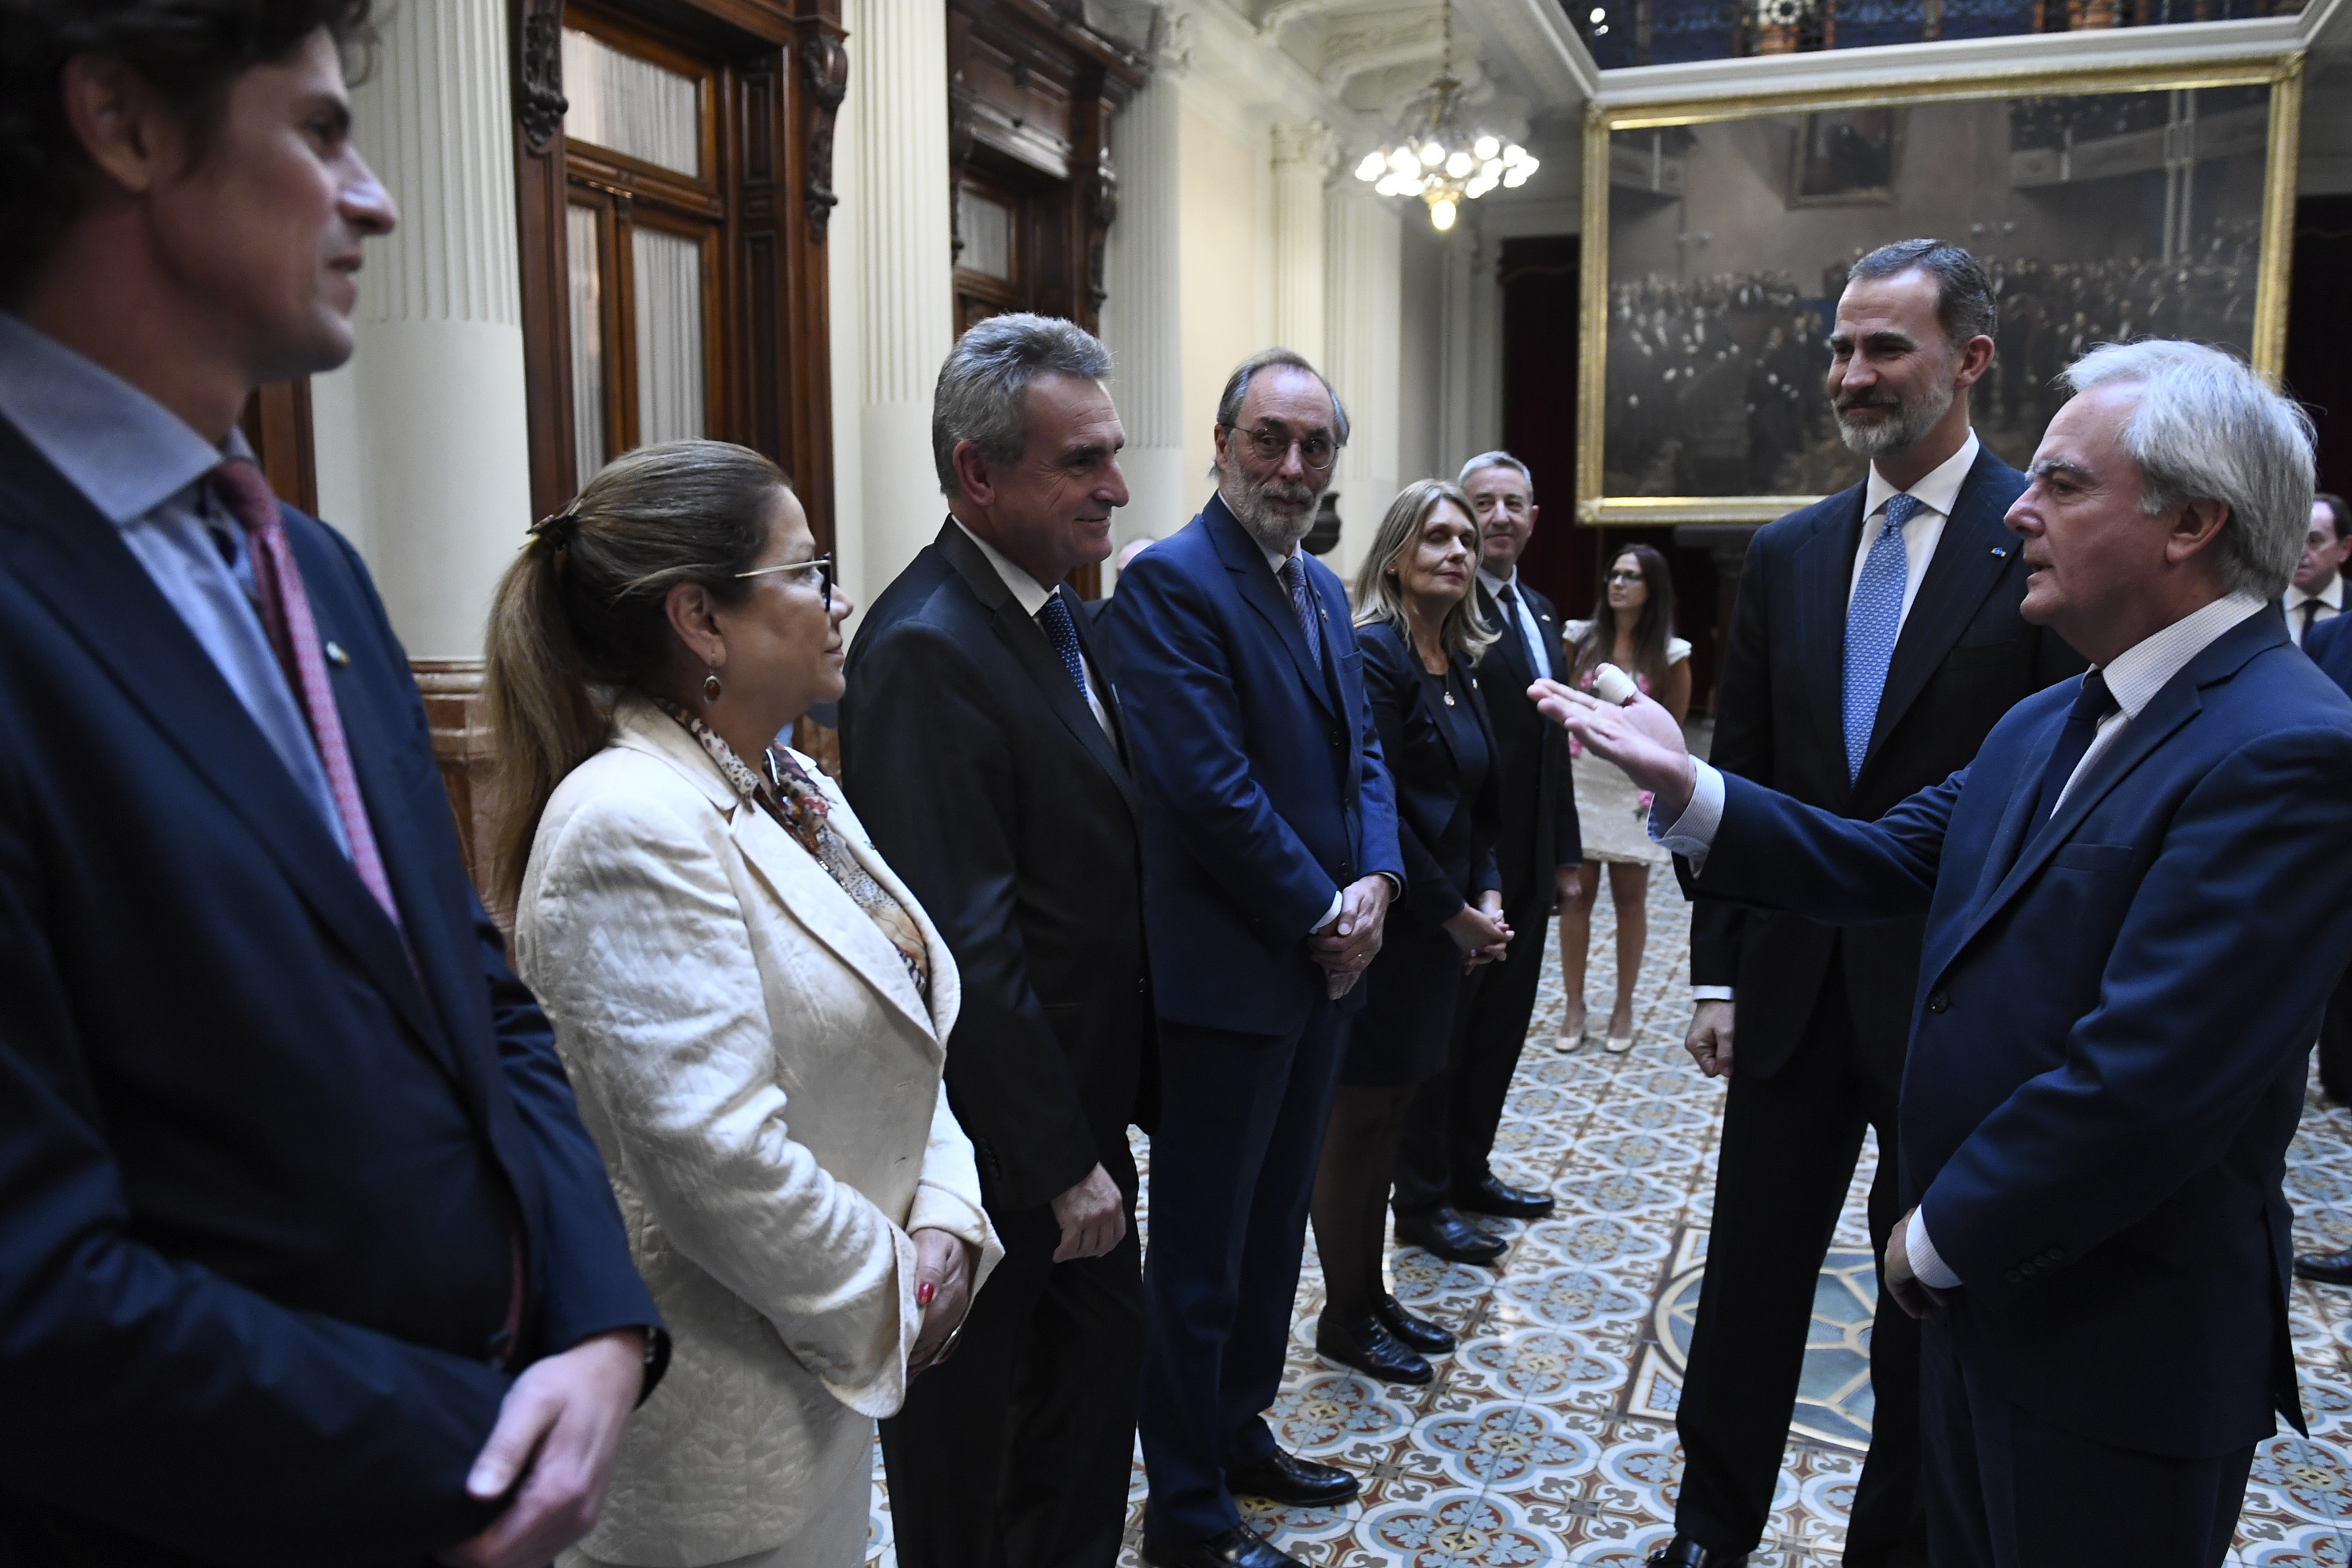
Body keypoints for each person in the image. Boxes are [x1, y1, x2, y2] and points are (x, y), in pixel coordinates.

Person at [0, 6, 662, 1563]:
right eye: (316, 130)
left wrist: (596, 1317)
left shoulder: (309, 564)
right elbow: (32, 1281)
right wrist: (478, 1442)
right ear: (126, 123)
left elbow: (473, 994)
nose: (373, 197)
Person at [1544, 338, 2349, 1568]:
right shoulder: (2055, 715)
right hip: (1990, 1315)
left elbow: (2149, 1077)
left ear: (2192, 522)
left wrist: (1935, 1235)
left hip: (2111, 1347)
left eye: (2068, 486)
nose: (2020, 507)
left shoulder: (2288, 747)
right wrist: (1689, 783)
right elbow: (1881, 859)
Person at [488, 441, 1002, 1568]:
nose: (839, 597)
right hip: (713, 1448)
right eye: (808, 570)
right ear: (700, 619)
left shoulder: (787, 781)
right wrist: (898, 1295)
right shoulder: (628, 821)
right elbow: (716, 1158)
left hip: (812, 1394)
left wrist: (949, 1219)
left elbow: (910, 1032)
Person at [1653, 240, 2082, 1568]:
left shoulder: (2039, 540)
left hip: (1949, 1001)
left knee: (1925, 1295)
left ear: (1970, 359)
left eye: (1885, 347)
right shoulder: (1785, 552)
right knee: (1749, 1290)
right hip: (1787, 988)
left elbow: (2051, 789)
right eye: (1841, 347)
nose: (1853, 373)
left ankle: (1889, 1549)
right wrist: (1716, 974)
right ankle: (1709, 1533)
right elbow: (1750, 772)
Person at [840, 314, 1151, 1568]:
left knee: (1079, 1430)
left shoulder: (1054, 613)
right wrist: (1063, 1162)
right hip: (1002, 1157)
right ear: (979, 472)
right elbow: (967, 939)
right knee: (978, 1466)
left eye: (1112, 453)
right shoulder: (925, 647)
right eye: (1081, 461)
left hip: (1080, 1124)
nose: (1116, 484)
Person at [1105, 347, 1404, 1568]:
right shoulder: (1171, 585)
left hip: (1321, 978)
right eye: (1269, 440)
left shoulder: (1324, 590)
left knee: (1275, 1229)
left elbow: (1363, 759)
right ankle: (1187, 1513)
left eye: (1315, 446)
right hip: (1229, 982)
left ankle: (1239, 1432)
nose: (1292, 466)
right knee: (1200, 1256)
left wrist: (1381, 881)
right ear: (1223, 444)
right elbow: (1205, 789)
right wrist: (1321, 915)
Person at [1311, 480, 1508, 1387]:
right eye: (1436, 536)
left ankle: (1374, 1291)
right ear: (1394, 554)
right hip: (1394, 929)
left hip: (1442, 934)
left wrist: (1492, 891)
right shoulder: (1374, 654)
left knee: (1394, 1116)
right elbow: (1378, 816)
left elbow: (1477, 802)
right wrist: (1455, 909)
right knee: (1356, 1123)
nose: (1458, 551)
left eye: (1466, 538)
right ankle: (1344, 1311)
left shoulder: (1453, 657)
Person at [1388, 451, 1581, 1268]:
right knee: (1444, 1044)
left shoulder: (1538, 610)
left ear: (1535, 516)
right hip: (1467, 872)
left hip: (1526, 870)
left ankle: (1472, 1170)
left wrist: (1563, 857)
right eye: (1483, 504)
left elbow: (1550, 751)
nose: (1499, 517)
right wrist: (1481, 881)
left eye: (1514, 503)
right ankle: (1424, 1194)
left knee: (1499, 1033)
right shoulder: (1449, 616)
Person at [1557, 543, 1691, 1056]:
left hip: (1633, 791)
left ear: (1651, 588)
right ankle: (1574, 1005)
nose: (1617, 583)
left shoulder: (1672, 655)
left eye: (1631, 577)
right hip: (1582, 783)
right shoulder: (1581, 640)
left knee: (1630, 901)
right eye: (1612, 574)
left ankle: (1623, 1007)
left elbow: (1671, 736)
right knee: (1577, 896)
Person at [2286, 490, 2350, 646]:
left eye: (2314, 541)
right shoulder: (2262, 606)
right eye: (2294, 541)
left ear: (2344, 548)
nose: (2300, 553)